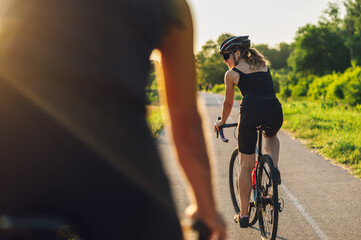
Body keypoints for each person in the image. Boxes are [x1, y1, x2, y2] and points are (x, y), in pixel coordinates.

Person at [0, 0, 225, 239]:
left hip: (12, 151)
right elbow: (187, 126)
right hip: (118, 164)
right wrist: (206, 210)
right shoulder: (173, 7)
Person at [214, 36, 283, 228]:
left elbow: (228, 103)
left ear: (237, 54)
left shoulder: (232, 74)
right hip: (274, 110)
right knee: (271, 135)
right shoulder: (264, 67)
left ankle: (244, 215)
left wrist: (222, 122)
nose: (225, 61)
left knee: (245, 166)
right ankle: (274, 168)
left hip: (251, 112)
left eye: (226, 56)